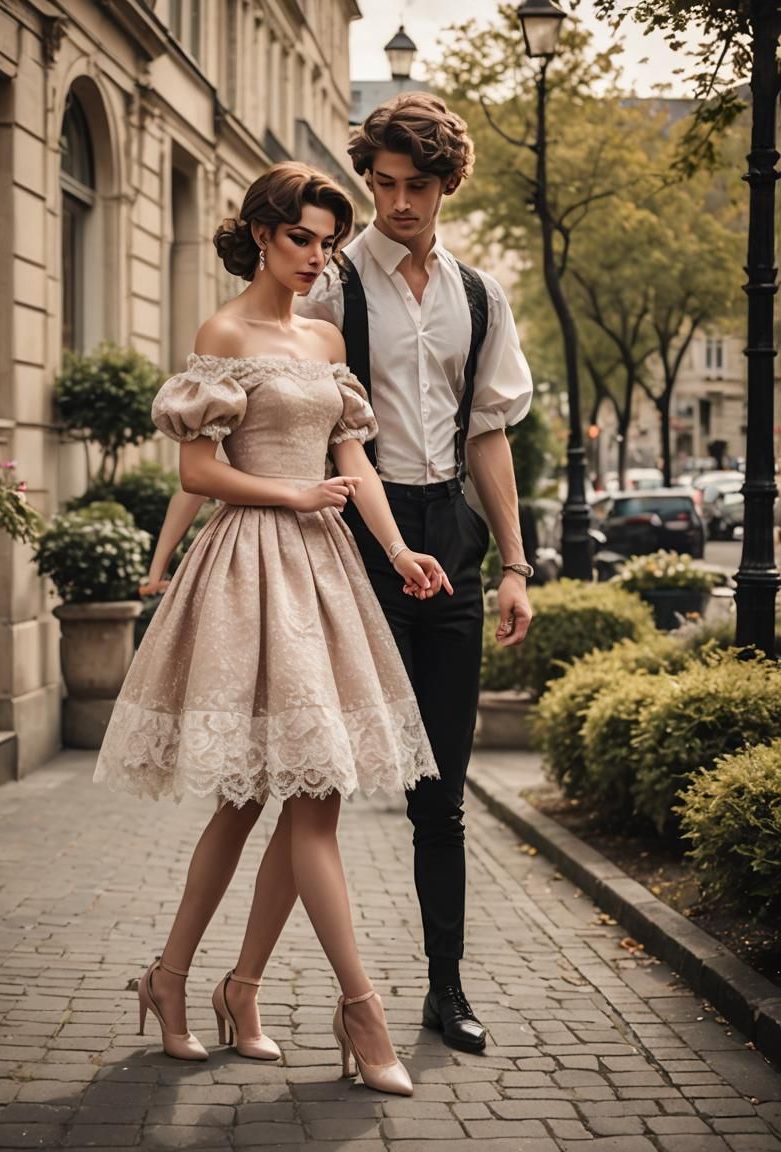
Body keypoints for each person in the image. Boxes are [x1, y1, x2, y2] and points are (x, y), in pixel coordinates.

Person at [94, 161, 453, 1097]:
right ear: (262, 233)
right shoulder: (222, 332)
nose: (316, 256)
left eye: (328, 242)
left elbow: (356, 463)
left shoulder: (326, 336)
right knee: (258, 798)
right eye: (302, 237)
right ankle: (353, 1009)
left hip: (327, 573)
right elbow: (198, 475)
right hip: (251, 568)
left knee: (305, 795)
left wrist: (401, 548)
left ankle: (213, 986)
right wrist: (292, 492)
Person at [296, 92, 534, 1055]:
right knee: (319, 783)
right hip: (358, 529)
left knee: (443, 792)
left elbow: (489, 437)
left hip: (452, 534)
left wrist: (515, 563)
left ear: (447, 185)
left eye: (418, 186)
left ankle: (447, 989)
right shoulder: (331, 285)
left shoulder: (479, 296)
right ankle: (261, 985)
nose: (398, 203)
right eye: (384, 184)